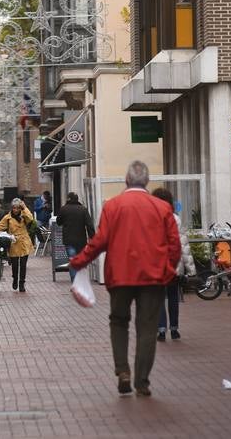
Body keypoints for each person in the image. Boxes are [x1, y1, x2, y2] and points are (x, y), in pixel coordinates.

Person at [70, 161, 181, 398]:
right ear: (147, 182)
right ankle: (142, 381)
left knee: (119, 322)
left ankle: (123, 371)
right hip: (153, 277)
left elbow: (100, 241)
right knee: (147, 328)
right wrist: (169, 270)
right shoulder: (162, 208)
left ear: (127, 181)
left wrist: (79, 261)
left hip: (120, 276)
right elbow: (174, 244)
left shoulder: (113, 206)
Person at [151, 188, 196, 342]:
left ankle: (161, 330)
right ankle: (175, 329)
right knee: (173, 296)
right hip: (174, 265)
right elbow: (184, 245)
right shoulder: (175, 219)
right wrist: (191, 269)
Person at [0, 198, 35, 291]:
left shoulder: (24, 215)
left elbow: (30, 218)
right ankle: (15, 279)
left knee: (23, 264)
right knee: (15, 264)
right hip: (13, 242)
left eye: (17, 208)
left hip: (24, 242)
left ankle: (22, 283)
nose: (16, 210)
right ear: (11, 208)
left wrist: (24, 207)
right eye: (14, 208)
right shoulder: (7, 218)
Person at [55, 192, 95, 282]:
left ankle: (75, 282)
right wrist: (92, 237)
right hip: (81, 240)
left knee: (72, 261)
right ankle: (82, 280)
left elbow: (58, 222)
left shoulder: (64, 209)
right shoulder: (83, 209)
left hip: (68, 240)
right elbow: (89, 225)